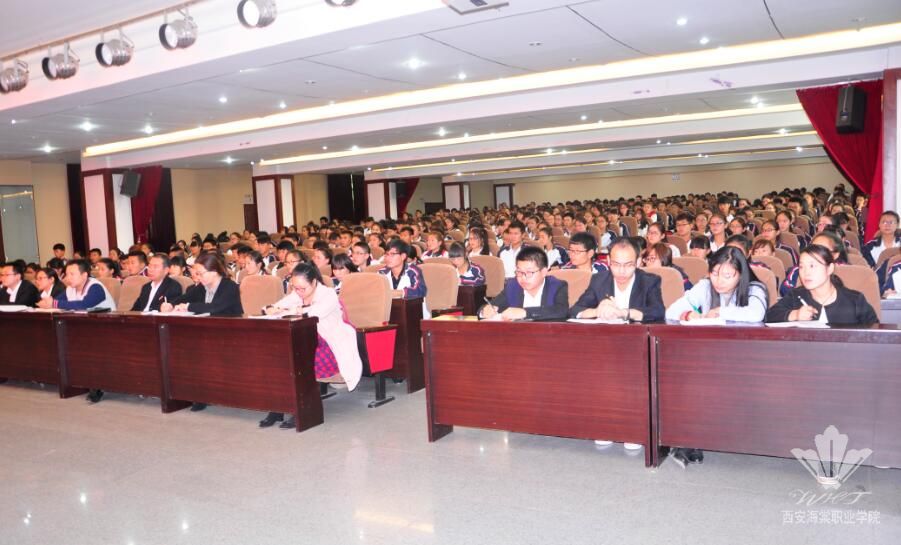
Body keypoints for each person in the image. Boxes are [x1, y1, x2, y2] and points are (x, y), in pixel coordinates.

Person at [259, 264, 364, 428]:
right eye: (295, 288)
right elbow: (277, 306)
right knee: (279, 355)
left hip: (329, 344)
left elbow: (312, 314)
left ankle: (301, 408)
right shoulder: (297, 293)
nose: (299, 292)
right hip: (304, 339)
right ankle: (278, 407)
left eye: (303, 288)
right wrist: (272, 309)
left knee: (299, 359)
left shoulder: (328, 294)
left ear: (314, 282)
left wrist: (290, 310)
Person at [160, 254, 243, 412]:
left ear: (214, 271)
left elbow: (215, 307)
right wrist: (170, 304)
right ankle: (199, 393)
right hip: (208, 332)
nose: (197, 277)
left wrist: (188, 306)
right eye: (196, 273)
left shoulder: (229, 286)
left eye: (200, 273)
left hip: (230, 333)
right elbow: (184, 297)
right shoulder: (202, 287)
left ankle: (208, 393)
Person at [766, 245, 878, 325]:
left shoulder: (855, 300)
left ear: (830, 269)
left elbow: (875, 332)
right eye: (801, 267)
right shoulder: (796, 296)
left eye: (812, 266)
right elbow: (769, 316)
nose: (806, 272)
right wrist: (795, 315)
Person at [569, 238, 665, 323]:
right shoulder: (599, 280)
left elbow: (658, 311)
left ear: (638, 262)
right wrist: (597, 311)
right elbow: (575, 310)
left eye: (628, 265)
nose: (621, 271)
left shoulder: (649, 281)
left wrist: (624, 313)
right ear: (608, 260)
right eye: (616, 264)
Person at [666, 247, 767, 323]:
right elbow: (671, 311)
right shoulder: (705, 285)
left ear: (741, 275)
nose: (719, 281)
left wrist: (720, 312)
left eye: (727, 276)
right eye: (714, 274)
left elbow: (756, 314)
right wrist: (687, 315)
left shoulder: (754, 289)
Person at [479, 246, 568, 321]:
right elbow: (490, 305)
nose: (523, 277)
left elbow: (562, 311)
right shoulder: (513, 285)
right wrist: (484, 311)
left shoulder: (557, 286)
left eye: (529, 272)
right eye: (519, 272)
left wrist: (525, 312)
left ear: (543, 272)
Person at [37, 260, 117, 311]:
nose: (68, 278)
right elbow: (55, 300)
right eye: (67, 274)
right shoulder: (70, 288)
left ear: (84, 275)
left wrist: (54, 303)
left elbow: (84, 305)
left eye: (72, 274)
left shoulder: (95, 287)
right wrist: (46, 303)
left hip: (108, 324)